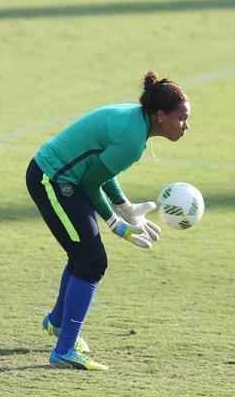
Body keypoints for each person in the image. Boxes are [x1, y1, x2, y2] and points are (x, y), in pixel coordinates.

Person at [25, 72, 191, 371]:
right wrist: (116, 223)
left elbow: (101, 170)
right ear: (161, 116)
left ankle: (60, 325)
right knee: (91, 260)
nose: (186, 126)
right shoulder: (132, 139)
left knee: (83, 256)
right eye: (182, 118)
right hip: (53, 180)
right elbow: (90, 182)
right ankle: (64, 350)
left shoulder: (135, 124)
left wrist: (123, 205)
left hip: (66, 181)